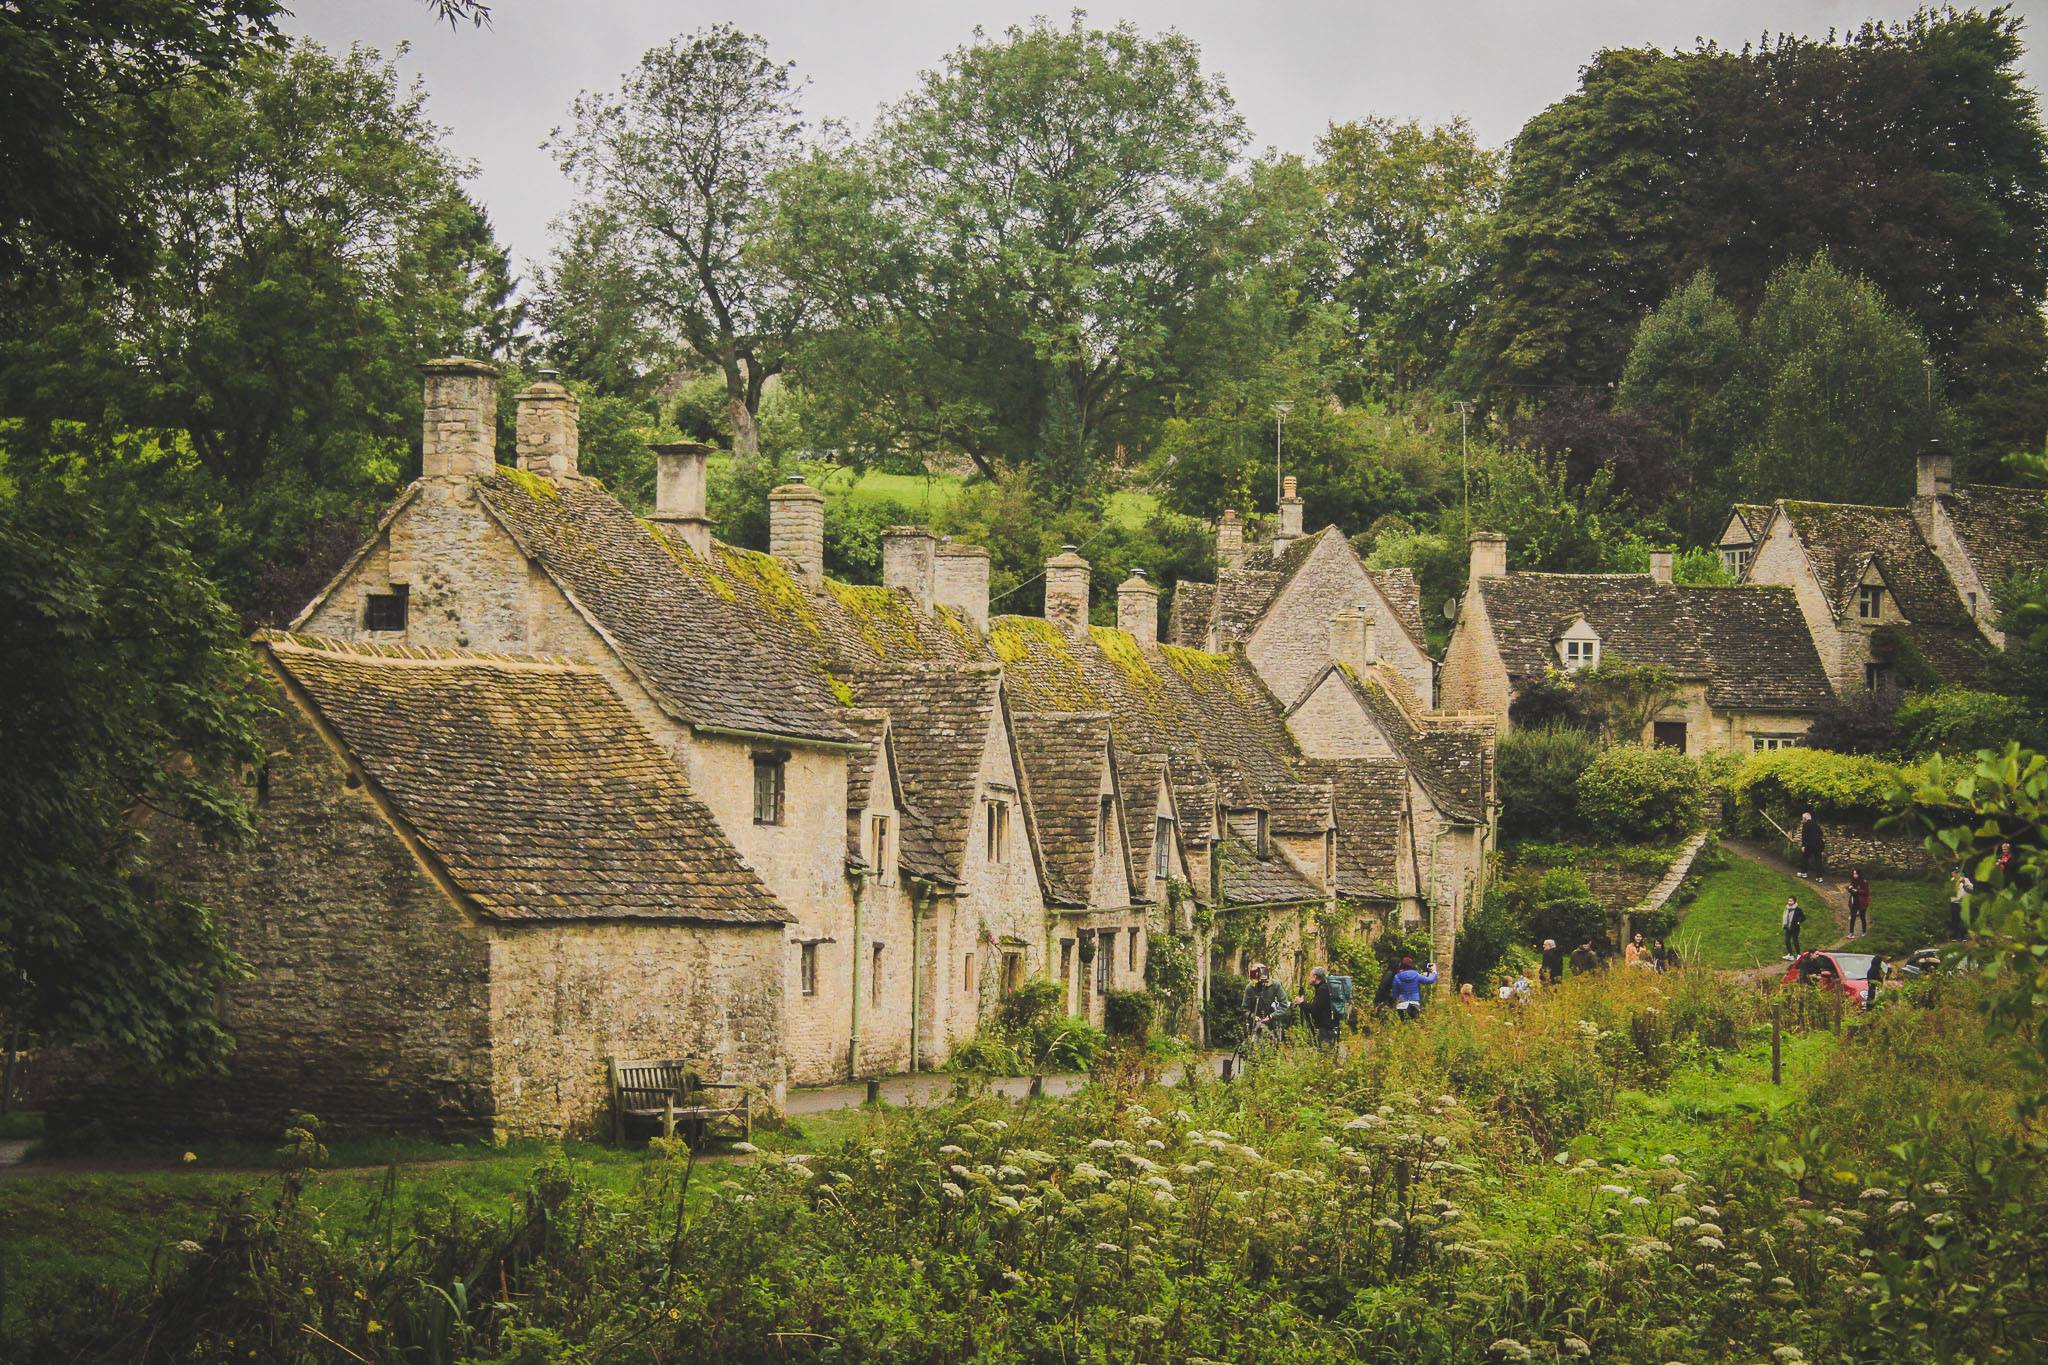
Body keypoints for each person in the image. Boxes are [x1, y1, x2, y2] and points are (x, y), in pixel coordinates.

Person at [1240, 963, 1290, 1046]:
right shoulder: (1250, 987)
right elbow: (1244, 1009)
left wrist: (1272, 1016)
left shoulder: (1275, 985)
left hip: (1273, 1025)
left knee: (1273, 1051)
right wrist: (1253, 1016)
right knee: (1254, 1049)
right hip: (1255, 1026)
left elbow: (1284, 1006)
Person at [1297, 967, 1339, 1046]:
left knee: (1325, 1053)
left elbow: (1314, 1009)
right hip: (1329, 1027)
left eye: (1310, 976)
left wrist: (1301, 1003)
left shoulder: (1323, 989)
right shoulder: (1323, 988)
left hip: (1326, 1029)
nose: (1309, 978)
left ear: (1315, 977)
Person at [1389, 955, 1436, 1021]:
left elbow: (1394, 993)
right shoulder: (1416, 974)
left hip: (1401, 1005)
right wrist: (1434, 972)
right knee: (1413, 1025)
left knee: (1403, 1026)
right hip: (1414, 1004)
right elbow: (1430, 980)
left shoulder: (1397, 977)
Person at [1796, 811, 1826, 882]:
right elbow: (1821, 834)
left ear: (1805, 818)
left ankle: (1804, 873)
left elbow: (1804, 836)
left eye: (1802, 819)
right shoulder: (1816, 825)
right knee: (1818, 861)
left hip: (1809, 845)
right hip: (1818, 845)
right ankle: (1819, 877)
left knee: (1805, 858)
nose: (1802, 820)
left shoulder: (1806, 825)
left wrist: (1803, 845)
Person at [1949, 866, 1973, 940]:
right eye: (1955, 872)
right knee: (1955, 920)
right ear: (1952, 873)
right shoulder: (1952, 881)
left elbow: (1971, 890)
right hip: (1954, 903)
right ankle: (1956, 936)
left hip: (1963, 903)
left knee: (1963, 920)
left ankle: (1964, 935)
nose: (1957, 874)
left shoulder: (1966, 880)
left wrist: (1964, 884)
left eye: (1958, 872)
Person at [1845, 869, 1870, 938]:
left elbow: (1866, 892)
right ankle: (1851, 933)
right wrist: (1849, 888)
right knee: (1852, 917)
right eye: (1853, 874)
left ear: (1859, 874)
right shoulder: (1853, 881)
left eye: (1856, 873)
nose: (1854, 875)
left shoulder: (1864, 882)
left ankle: (1864, 931)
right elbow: (1851, 890)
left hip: (1862, 902)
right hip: (1854, 901)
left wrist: (1857, 891)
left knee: (1862, 917)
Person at [1781, 895, 1805, 960]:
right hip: (1787, 927)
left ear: (1794, 901)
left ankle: (1799, 954)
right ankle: (1790, 954)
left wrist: (1798, 922)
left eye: (1791, 901)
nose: (1789, 902)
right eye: (1788, 900)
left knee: (1795, 940)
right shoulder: (1787, 908)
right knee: (1787, 940)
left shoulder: (1798, 909)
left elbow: (1803, 917)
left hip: (1795, 928)